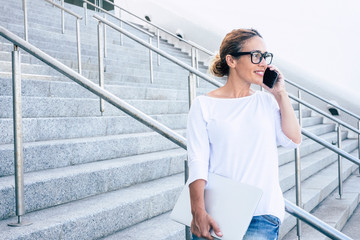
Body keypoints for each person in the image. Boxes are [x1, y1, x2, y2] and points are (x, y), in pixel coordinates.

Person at [186, 29, 302, 240]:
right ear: (231, 60)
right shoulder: (204, 105)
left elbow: (293, 139)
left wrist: (280, 93)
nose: (263, 63)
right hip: (218, 212)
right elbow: (198, 161)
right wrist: (198, 210)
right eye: (256, 56)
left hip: (263, 213)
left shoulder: (266, 102)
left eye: (265, 57)